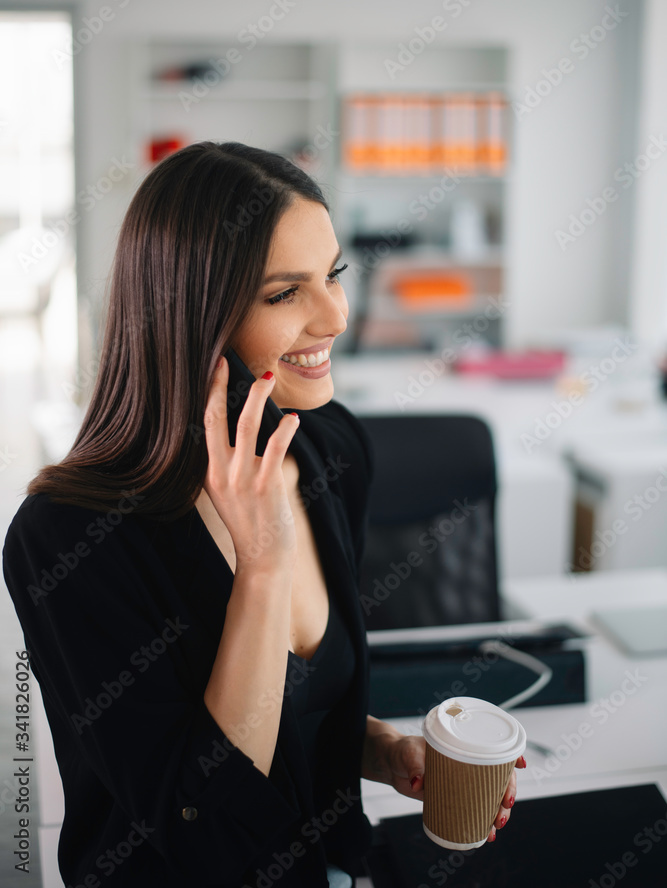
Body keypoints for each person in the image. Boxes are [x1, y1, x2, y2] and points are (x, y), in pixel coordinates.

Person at [3, 141, 522, 887]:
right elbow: (202, 834)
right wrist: (264, 567)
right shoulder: (69, 538)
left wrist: (380, 750)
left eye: (333, 274)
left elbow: (306, 710)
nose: (337, 315)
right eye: (285, 294)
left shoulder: (328, 447)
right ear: (191, 319)